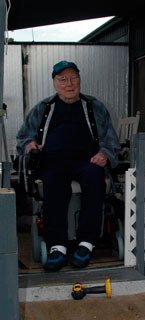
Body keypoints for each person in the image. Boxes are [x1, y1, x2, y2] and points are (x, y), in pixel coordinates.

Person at [17, 60, 120, 271]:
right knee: (53, 180)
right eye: (62, 79)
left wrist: (105, 154)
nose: (69, 84)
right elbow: (23, 138)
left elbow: (111, 141)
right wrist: (29, 145)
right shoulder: (43, 108)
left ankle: (86, 244)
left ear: (80, 80)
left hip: (87, 161)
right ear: (55, 83)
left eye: (73, 78)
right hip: (54, 161)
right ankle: (58, 246)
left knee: (95, 177)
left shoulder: (95, 106)